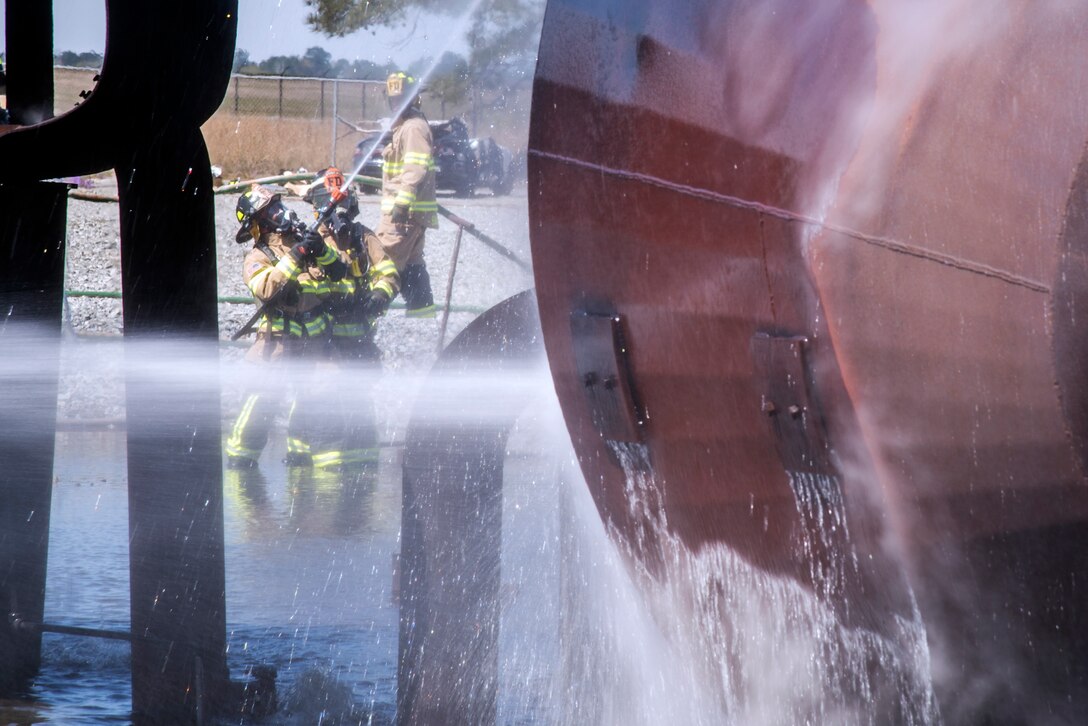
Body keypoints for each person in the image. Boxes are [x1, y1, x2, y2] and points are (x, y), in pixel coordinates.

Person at [224, 184, 344, 468]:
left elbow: (337, 272)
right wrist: (296, 255)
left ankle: (328, 471)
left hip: (315, 342)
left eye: (279, 206)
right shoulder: (258, 257)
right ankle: (240, 462)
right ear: (260, 223)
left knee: (323, 395)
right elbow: (266, 289)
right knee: (262, 400)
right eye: (271, 211)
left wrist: (319, 249)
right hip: (277, 343)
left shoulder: (303, 239)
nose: (281, 212)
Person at [376, 71, 438, 317]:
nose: (395, 103)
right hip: (410, 216)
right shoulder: (405, 126)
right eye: (392, 98)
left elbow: (415, 168)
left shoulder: (412, 128)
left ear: (413, 99)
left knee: (382, 262)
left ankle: (363, 319)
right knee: (412, 267)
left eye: (400, 98)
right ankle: (422, 320)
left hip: (402, 215)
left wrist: (401, 203)